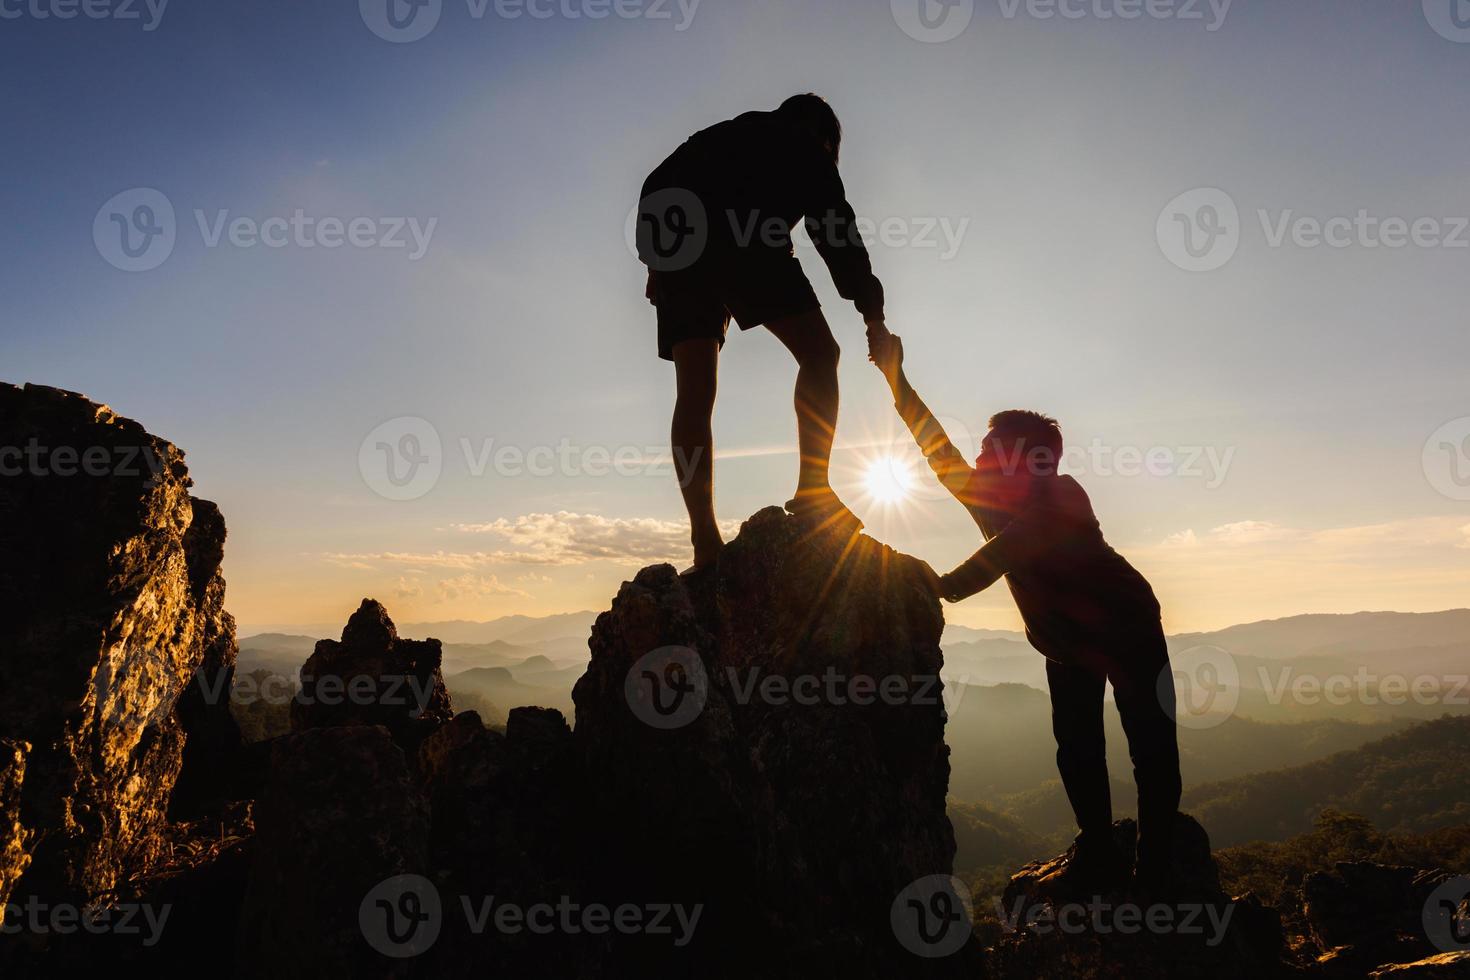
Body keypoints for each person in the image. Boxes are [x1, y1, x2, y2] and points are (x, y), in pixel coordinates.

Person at [872, 333, 1182, 891]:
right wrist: (897, 380)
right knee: (1077, 743)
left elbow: (1012, 545)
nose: (981, 456)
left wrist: (945, 585)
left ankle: (1158, 863)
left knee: (1151, 743)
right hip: (1063, 640)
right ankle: (1098, 848)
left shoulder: (1062, 494)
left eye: (993, 448)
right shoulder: (985, 493)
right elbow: (934, 445)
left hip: (1128, 626)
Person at [636, 94, 889, 570]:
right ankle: (814, 492)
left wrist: (656, 261)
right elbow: (839, 236)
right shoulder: (805, 146)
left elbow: (657, 185)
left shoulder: (722, 135)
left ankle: (705, 538)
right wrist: (873, 316)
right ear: (826, 139)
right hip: (744, 238)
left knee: (694, 393)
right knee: (820, 355)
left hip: (676, 247)